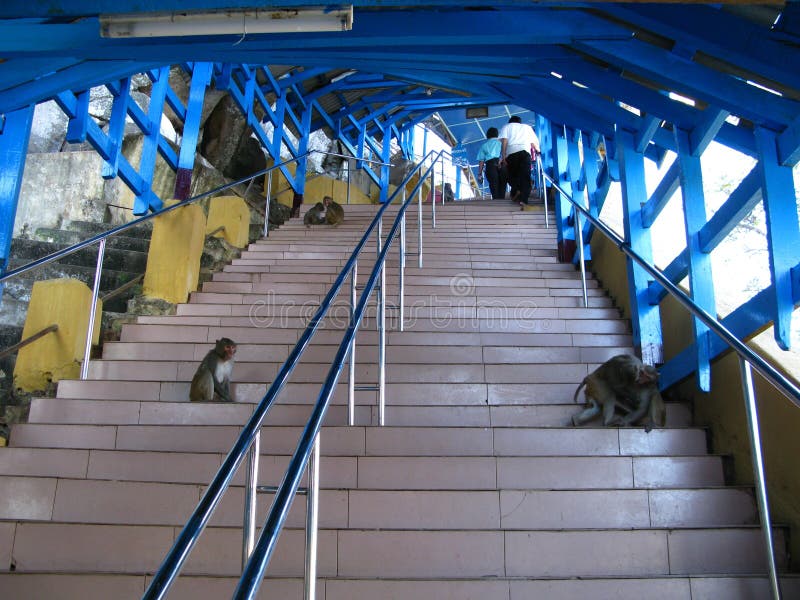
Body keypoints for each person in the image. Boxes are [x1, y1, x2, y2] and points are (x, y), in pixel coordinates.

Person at [499, 116, 540, 205]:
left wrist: (503, 156)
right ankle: (524, 200)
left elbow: (504, 142)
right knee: (525, 176)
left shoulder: (506, 127)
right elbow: (533, 142)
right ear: (520, 122)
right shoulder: (527, 127)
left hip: (512, 153)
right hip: (525, 153)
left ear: (510, 122)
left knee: (511, 175)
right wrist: (538, 151)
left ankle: (517, 189)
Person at [476, 127, 507, 199]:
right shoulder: (501, 143)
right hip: (501, 163)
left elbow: (481, 161)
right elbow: (505, 153)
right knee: (503, 182)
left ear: (487, 135)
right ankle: (502, 199)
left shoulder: (484, 146)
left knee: (493, 184)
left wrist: (480, 174)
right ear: (497, 134)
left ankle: (496, 201)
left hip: (490, 165)